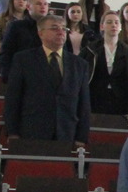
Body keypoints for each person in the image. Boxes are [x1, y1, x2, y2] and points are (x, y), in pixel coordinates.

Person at [5, 14, 90, 146]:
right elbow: (13, 98)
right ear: (41, 33)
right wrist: (12, 132)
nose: (61, 32)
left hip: (67, 133)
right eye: (54, 28)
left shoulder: (79, 64)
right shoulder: (23, 59)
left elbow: (84, 103)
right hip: (32, 131)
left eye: (64, 28)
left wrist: (81, 137)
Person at [85, 10, 128, 120]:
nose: (113, 25)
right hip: (94, 100)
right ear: (102, 26)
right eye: (109, 22)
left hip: (120, 103)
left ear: (120, 27)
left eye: (116, 22)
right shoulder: (90, 50)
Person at [0, 0, 50, 81]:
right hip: (21, 75)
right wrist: (8, 76)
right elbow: (6, 53)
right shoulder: (16, 26)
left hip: (45, 77)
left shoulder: (52, 28)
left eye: (45, 4)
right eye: (38, 4)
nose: (43, 7)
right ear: (28, 7)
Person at [0, 0, 29, 65]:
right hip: (3, 57)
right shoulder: (0, 17)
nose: (21, 1)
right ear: (12, 1)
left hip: (25, 59)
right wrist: (5, 52)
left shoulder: (31, 20)